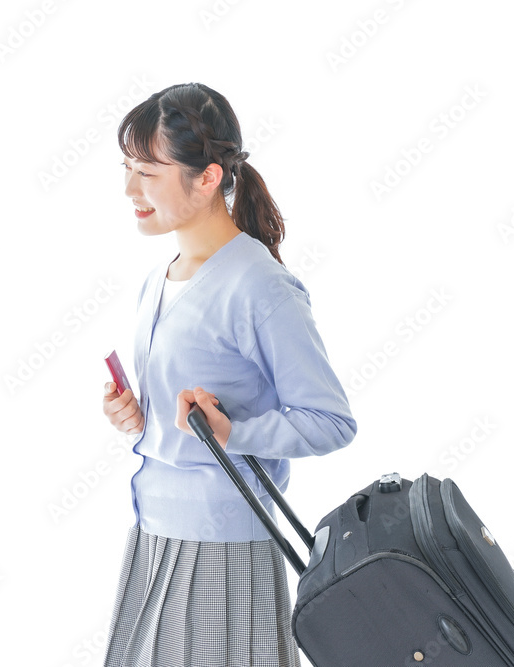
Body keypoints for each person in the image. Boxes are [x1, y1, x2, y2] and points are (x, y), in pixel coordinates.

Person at [101, 82, 357, 667]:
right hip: (152, 535)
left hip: (220, 547)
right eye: (126, 169)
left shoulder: (261, 287)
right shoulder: (161, 277)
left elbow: (331, 421)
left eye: (148, 172)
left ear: (208, 178)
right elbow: (184, 413)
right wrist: (136, 415)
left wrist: (233, 432)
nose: (130, 189)